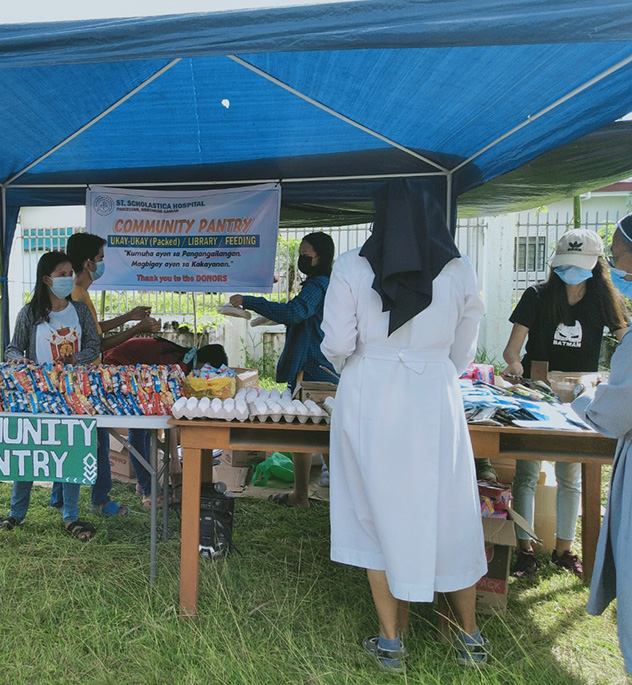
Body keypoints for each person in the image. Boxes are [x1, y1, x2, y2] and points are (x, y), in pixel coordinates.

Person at [321, 179, 489, 671]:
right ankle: (469, 638)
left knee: (375, 510)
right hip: (434, 394)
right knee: (449, 508)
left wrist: (371, 361)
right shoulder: (459, 269)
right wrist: (430, 365)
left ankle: (391, 642)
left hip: (369, 394)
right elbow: (465, 350)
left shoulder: (352, 265)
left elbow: (335, 343)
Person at [502, 228, 629, 579]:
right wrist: (514, 364)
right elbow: (512, 349)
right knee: (526, 473)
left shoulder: (605, 298)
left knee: (570, 474)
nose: (571, 274)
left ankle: (563, 550)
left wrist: (608, 378)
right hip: (534, 392)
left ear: (595, 265)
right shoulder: (536, 295)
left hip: (579, 397)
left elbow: (626, 341)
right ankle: (524, 550)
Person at [48, 233, 162, 517]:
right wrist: (137, 329)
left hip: (86, 376)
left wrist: (130, 317)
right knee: (94, 440)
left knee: (80, 439)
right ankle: (97, 500)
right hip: (82, 380)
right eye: (100, 259)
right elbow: (97, 343)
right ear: (88, 263)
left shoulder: (80, 294)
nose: (102, 264)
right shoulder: (75, 294)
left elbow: (96, 329)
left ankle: (62, 498)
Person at [0, 251, 102, 541]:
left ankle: (70, 516)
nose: (68, 279)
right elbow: (12, 348)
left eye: (70, 274)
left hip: (73, 394)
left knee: (71, 451)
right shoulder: (29, 313)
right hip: (37, 394)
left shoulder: (79, 311)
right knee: (29, 452)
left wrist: (75, 359)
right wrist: (19, 361)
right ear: (46, 279)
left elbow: (94, 345)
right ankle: (16, 514)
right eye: (62, 274)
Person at [230, 231, 337, 508]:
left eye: (305, 254)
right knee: (305, 433)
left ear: (320, 257)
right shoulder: (319, 283)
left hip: (315, 368)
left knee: (321, 434)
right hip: (311, 365)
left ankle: (330, 496)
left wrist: (250, 301)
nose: (301, 258)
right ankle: (302, 495)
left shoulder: (319, 285)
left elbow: (295, 312)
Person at [570, 213, 632, 675]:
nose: (615, 259)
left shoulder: (609, 306)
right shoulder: (540, 296)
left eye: (617, 250)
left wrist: (586, 397)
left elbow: (614, 413)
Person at [103, 338, 228, 508]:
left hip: (136, 370)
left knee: (146, 426)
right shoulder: (177, 367)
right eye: (211, 373)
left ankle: (144, 481)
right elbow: (171, 414)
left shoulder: (184, 360)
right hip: (117, 369)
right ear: (205, 364)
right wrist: (175, 465)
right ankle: (149, 493)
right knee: (140, 427)